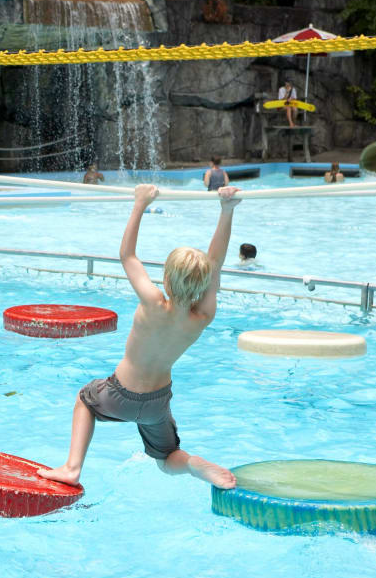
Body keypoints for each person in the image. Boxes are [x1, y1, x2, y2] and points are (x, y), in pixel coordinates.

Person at [37, 183, 242, 490]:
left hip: (118, 394)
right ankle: (193, 465)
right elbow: (215, 265)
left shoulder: (153, 303)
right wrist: (226, 211)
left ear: (166, 279)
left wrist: (140, 203)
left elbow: (127, 255)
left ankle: (72, 467)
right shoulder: (202, 317)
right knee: (167, 458)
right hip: (158, 402)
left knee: (84, 400)